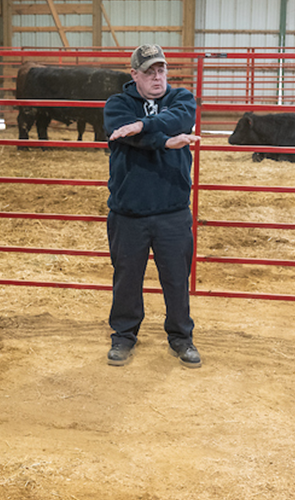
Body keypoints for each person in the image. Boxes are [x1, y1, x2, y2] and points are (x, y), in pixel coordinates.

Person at [103, 45, 203, 369]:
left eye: (161, 70)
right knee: (126, 277)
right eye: (149, 71)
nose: (157, 77)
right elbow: (125, 136)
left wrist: (144, 126)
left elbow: (183, 118)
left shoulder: (181, 98)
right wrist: (162, 139)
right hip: (128, 210)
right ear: (134, 75)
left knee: (176, 278)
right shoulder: (118, 104)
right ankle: (123, 335)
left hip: (172, 209)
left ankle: (181, 337)